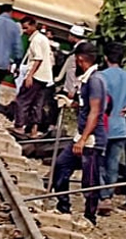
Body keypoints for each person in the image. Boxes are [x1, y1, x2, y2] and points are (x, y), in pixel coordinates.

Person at [53, 42, 106, 226]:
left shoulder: (95, 80)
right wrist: (70, 103)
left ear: (80, 58)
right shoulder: (86, 79)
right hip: (81, 136)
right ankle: (63, 206)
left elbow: (95, 111)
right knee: (61, 166)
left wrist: (83, 139)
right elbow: (85, 107)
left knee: (89, 182)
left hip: (91, 140)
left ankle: (90, 217)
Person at [97, 42, 126, 216]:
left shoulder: (102, 76)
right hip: (122, 126)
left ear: (105, 57)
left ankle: (102, 197)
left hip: (104, 126)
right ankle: (108, 195)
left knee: (99, 162)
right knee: (113, 164)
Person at [12, 16, 53, 138]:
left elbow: (38, 58)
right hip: (45, 77)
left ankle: (19, 126)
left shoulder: (35, 40)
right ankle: (34, 130)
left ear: (33, 26)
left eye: (26, 28)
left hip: (36, 75)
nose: (25, 31)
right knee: (37, 103)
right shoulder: (43, 38)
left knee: (22, 100)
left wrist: (29, 75)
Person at [54, 25, 88, 99]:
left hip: (74, 90)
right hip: (70, 87)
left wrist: (73, 89)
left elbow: (81, 71)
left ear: (73, 36)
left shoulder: (81, 50)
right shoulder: (77, 48)